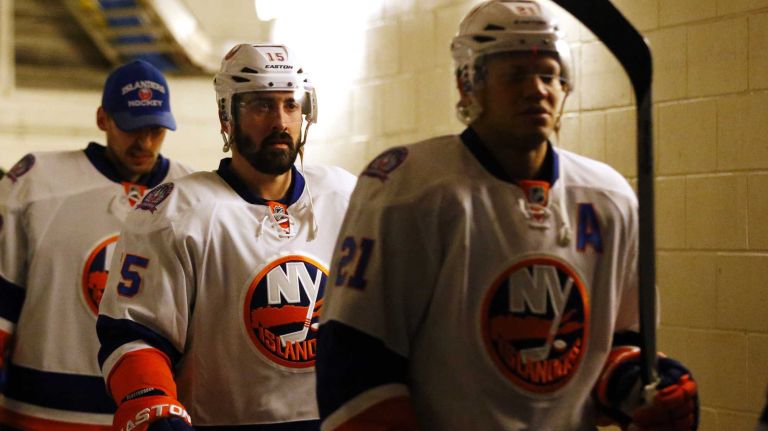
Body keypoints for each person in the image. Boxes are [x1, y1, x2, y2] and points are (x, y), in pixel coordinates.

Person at [316, 1, 699, 430]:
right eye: (515, 75)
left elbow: (616, 344)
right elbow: (353, 362)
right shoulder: (408, 190)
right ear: (468, 84)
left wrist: (645, 388)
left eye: (549, 75)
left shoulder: (608, 196)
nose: (537, 89)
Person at [96, 43, 356, 430]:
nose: (280, 122)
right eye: (261, 106)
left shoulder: (346, 196)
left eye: (290, 105)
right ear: (226, 115)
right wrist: (152, 403)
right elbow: (134, 334)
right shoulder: (175, 212)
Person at [0, 60, 193, 430]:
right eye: (131, 127)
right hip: (39, 412)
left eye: (155, 129)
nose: (144, 142)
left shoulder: (191, 192)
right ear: (103, 119)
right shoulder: (36, 184)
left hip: (152, 414)